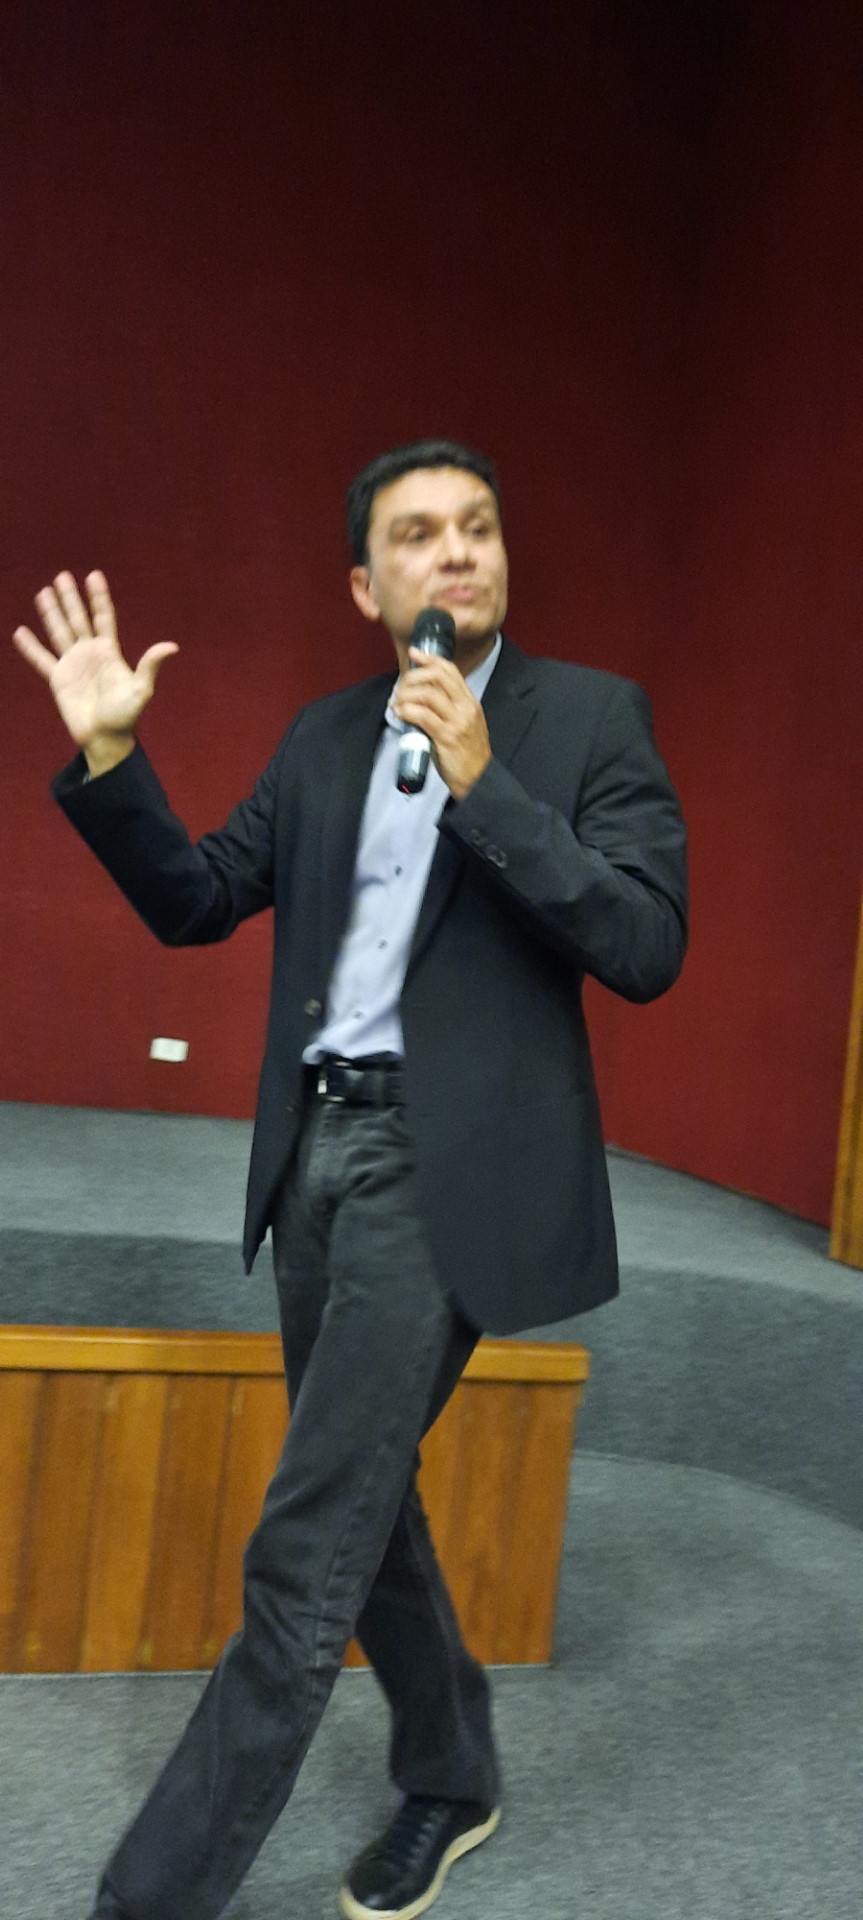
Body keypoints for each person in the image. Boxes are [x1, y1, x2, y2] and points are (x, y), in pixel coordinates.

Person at [12, 438, 688, 1920]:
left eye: (479, 527)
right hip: (315, 1157)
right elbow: (196, 901)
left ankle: (149, 1897)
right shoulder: (323, 738)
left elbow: (646, 945)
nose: (457, 553)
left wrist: (488, 787)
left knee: (307, 1536)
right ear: (366, 586)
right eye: (419, 535)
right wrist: (114, 758)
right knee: (367, 1502)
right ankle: (454, 1769)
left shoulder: (586, 718)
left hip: (447, 1176)